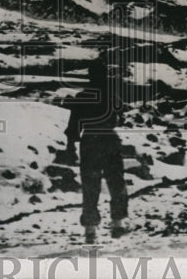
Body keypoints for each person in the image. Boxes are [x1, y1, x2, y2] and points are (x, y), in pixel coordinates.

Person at [62, 60, 129, 244]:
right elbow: (122, 112)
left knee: (90, 186)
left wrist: (71, 148)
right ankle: (117, 224)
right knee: (116, 183)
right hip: (109, 141)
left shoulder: (82, 97)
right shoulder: (111, 96)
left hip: (89, 143)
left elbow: (73, 126)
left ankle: (90, 231)